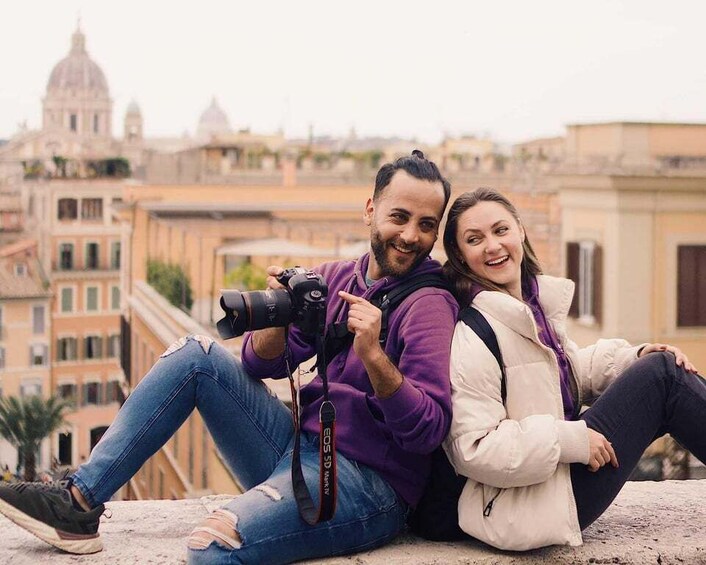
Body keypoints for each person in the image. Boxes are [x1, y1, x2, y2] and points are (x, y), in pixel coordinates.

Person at [0, 151, 459, 564]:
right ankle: (78, 503)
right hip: (297, 450)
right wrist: (279, 314)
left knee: (214, 544)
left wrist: (375, 357)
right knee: (195, 355)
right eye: (399, 217)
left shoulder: (428, 305)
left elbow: (428, 430)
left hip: (367, 486)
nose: (410, 235)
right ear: (370, 210)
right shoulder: (337, 277)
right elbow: (260, 365)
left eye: (426, 225)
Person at [440, 187, 705, 551]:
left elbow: (561, 373)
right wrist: (570, 440)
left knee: (657, 367)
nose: (492, 246)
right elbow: (474, 449)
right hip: (533, 502)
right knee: (663, 375)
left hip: (554, 481)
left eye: (500, 230)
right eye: (475, 239)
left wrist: (632, 357)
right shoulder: (473, 333)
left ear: (520, 230)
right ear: (461, 256)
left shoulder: (529, 307)